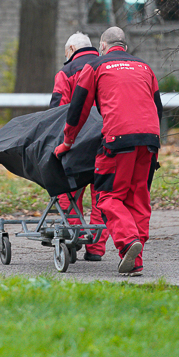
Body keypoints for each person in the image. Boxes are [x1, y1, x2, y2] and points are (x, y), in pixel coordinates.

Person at [54, 26, 162, 276]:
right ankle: (134, 261)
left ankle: (127, 241)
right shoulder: (145, 68)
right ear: (125, 45)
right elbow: (157, 107)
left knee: (108, 197)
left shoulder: (96, 66)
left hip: (117, 140)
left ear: (102, 46)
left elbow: (78, 109)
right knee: (139, 198)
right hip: (149, 139)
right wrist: (156, 145)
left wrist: (67, 142)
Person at [49, 32, 109, 261]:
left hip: (75, 144)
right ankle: (96, 248)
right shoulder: (106, 66)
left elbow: (57, 111)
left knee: (66, 193)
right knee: (102, 195)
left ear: (72, 48)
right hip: (107, 140)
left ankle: (76, 237)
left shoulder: (66, 72)